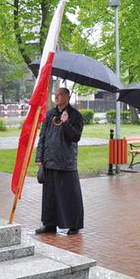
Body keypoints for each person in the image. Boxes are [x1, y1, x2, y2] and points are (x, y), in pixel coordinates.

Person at [34, 87, 84, 235]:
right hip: (49, 161)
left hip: (66, 162)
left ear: (67, 97)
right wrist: (39, 157)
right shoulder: (49, 114)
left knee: (70, 195)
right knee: (50, 196)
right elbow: (42, 137)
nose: (56, 97)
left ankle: (74, 225)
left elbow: (75, 137)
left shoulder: (76, 115)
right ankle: (49, 224)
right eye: (55, 94)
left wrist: (66, 123)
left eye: (60, 94)